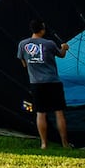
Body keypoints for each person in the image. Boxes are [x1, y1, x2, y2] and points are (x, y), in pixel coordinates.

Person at [17, 19, 70, 149]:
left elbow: (23, 63)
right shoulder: (50, 44)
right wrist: (64, 48)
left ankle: (44, 144)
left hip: (36, 83)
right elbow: (61, 55)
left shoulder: (22, 44)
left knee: (40, 113)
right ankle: (65, 144)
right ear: (42, 30)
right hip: (53, 82)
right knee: (59, 112)